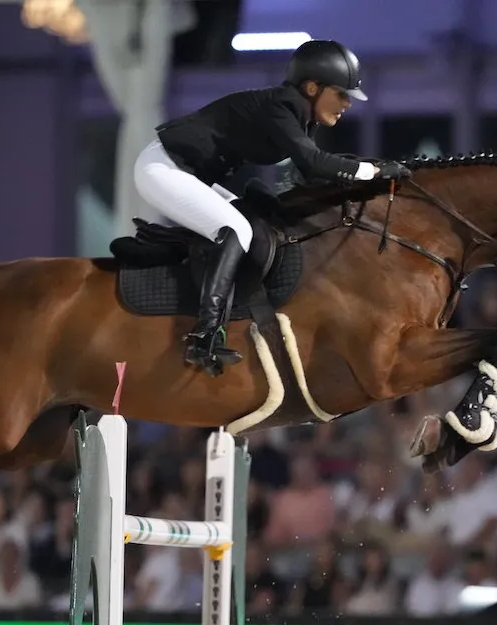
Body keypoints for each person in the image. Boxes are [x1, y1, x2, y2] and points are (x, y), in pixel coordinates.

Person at [135, 39, 412, 376]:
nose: (346, 105)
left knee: (260, 224)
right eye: (342, 95)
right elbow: (313, 162)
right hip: (162, 168)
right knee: (235, 229)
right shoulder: (281, 106)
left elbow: (308, 172)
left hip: (189, 174)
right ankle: (204, 335)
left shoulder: (300, 115)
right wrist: (374, 171)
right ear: (312, 87)